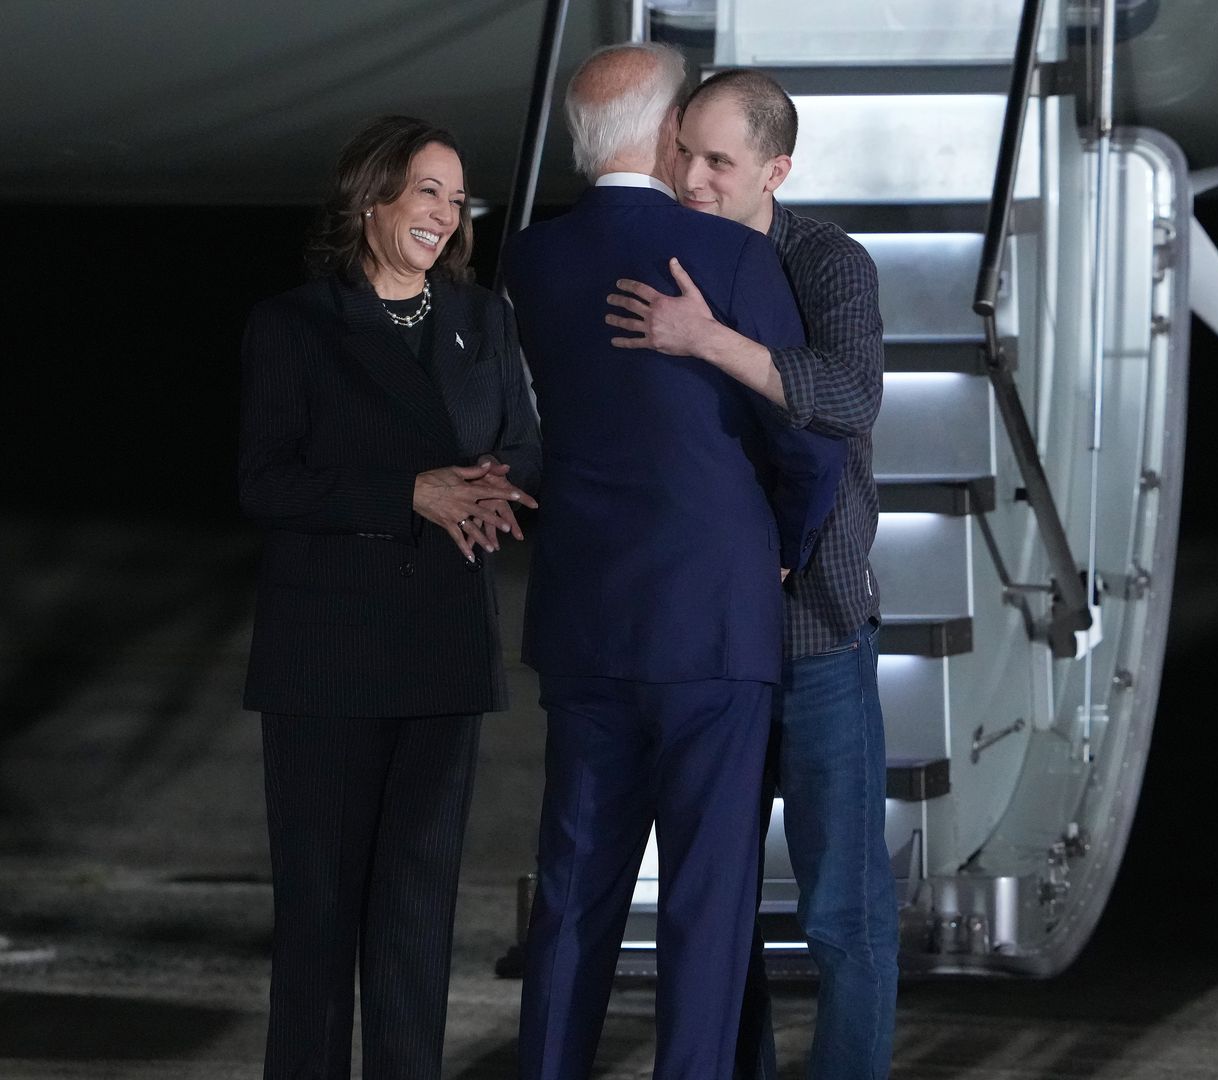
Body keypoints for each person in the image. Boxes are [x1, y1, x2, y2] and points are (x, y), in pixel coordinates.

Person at [504, 43, 844, 1080]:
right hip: (713, 621)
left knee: (573, 890)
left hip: (585, 620)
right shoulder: (732, 259)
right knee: (706, 899)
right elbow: (810, 440)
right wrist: (778, 555)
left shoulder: (529, 260)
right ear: (663, 138)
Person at [236, 114, 541, 1080]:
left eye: (457, 199)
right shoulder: (294, 325)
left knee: (416, 924)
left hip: (444, 649)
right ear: (371, 201)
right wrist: (409, 491)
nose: (445, 216)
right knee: (321, 923)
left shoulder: (483, 319)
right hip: (326, 656)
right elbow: (266, 483)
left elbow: (526, 442)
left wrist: (494, 482)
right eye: (426, 193)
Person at [605, 69, 894, 1080]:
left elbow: (849, 396)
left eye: (717, 161)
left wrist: (708, 340)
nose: (689, 175)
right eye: (682, 149)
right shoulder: (663, 252)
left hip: (816, 633)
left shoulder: (826, 262)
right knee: (719, 904)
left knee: (842, 913)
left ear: (776, 169)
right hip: (708, 638)